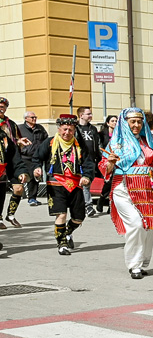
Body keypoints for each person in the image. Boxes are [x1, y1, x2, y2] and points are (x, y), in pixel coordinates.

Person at [99, 108, 153, 279]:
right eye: (132, 122)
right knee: (136, 224)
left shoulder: (147, 142)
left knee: (149, 226)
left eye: (139, 121)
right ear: (125, 123)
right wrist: (110, 163)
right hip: (123, 189)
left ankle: (143, 261)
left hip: (146, 189)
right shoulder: (116, 143)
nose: (136, 125)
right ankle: (134, 264)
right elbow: (104, 167)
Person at [32, 114, 91, 255]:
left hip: (75, 184)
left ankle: (67, 232)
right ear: (59, 129)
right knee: (61, 215)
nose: (67, 133)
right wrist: (36, 168)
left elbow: (88, 163)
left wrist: (87, 176)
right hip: (56, 183)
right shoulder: (50, 142)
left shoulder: (80, 145)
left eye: (70, 130)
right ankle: (62, 244)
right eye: (65, 129)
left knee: (79, 218)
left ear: (74, 130)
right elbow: (37, 158)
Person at [0, 97, 30, 230]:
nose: (1, 108)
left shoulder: (11, 124)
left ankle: (10, 214)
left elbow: (14, 141)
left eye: (3, 106)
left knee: (19, 188)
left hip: (12, 159)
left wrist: (19, 142)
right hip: (0, 161)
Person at [75, 107, 101, 218]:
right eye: (88, 114)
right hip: (79, 159)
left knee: (87, 182)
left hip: (91, 159)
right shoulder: (75, 128)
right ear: (81, 115)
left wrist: (99, 157)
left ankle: (86, 205)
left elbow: (97, 144)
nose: (91, 116)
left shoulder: (93, 129)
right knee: (83, 183)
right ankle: (88, 206)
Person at [18, 111, 47, 207]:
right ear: (26, 119)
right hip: (25, 156)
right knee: (26, 176)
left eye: (35, 117)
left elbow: (45, 140)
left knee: (35, 177)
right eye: (32, 117)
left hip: (37, 157)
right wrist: (23, 150)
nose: (34, 119)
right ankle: (19, 194)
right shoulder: (20, 128)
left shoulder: (40, 128)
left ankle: (32, 198)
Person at [96, 114, 118, 215]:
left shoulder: (119, 135)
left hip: (117, 161)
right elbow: (99, 147)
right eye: (112, 121)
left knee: (114, 183)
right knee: (108, 182)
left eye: (116, 121)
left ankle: (111, 205)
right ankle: (102, 198)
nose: (115, 123)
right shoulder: (102, 134)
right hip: (106, 160)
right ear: (108, 123)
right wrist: (105, 157)